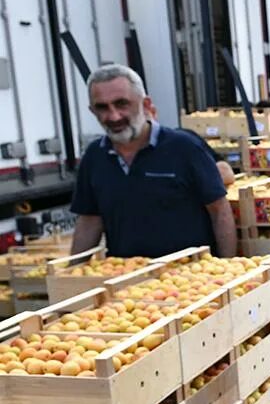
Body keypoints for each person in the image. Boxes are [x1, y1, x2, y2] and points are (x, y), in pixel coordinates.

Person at [70, 64, 236, 258]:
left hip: (189, 278)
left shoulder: (184, 147)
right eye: (102, 107)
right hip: (126, 281)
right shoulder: (94, 157)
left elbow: (219, 211)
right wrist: (69, 278)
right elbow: (90, 221)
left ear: (146, 105)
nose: (114, 116)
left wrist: (227, 266)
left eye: (122, 103)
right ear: (92, 111)